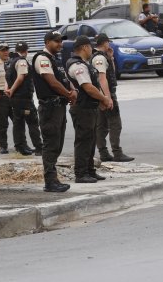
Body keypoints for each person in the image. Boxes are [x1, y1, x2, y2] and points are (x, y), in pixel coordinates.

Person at [29, 31, 76, 193]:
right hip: (49, 107)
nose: (60, 44)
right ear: (47, 42)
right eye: (56, 42)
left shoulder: (54, 59)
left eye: (60, 41)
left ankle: (53, 178)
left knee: (58, 143)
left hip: (58, 106)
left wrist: (72, 89)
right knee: (50, 144)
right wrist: (68, 94)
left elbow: (62, 78)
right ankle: (50, 181)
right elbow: (52, 82)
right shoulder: (42, 58)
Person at [65, 36, 112, 184]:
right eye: (90, 47)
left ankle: (90, 170)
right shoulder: (78, 66)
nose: (92, 49)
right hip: (82, 108)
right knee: (83, 141)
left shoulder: (84, 64)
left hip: (89, 107)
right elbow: (88, 87)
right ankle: (81, 173)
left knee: (90, 141)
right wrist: (104, 99)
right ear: (85, 47)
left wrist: (99, 102)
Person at [93, 33, 134, 163]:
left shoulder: (102, 57)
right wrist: (108, 97)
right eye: (108, 43)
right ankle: (117, 152)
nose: (109, 45)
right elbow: (102, 78)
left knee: (102, 125)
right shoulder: (99, 58)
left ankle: (104, 152)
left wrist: (111, 57)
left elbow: (112, 73)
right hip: (106, 94)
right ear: (104, 43)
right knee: (115, 123)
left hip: (100, 95)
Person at [6, 42, 42, 156]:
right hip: (23, 98)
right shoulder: (21, 61)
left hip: (15, 98)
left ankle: (20, 146)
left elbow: (7, 78)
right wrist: (11, 89)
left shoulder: (10, 62)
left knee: (18, 122)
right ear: (26, 51)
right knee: (32, 122)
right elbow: (21, 78)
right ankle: (39, 147)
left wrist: (9, 90)